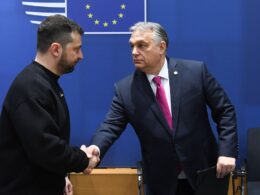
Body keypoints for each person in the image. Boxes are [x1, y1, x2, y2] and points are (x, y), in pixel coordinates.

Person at [85, 22, 238, 195]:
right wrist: (95, 149)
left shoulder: (195, 72)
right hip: (162, 181)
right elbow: (110, 127)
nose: (134, 52)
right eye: (132, 46)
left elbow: (225, 111)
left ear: (161, 47)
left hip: (204, 171)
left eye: (142, 45)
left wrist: (227, 151)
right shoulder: (125, 89)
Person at [0, 15, 99, 195]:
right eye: (76, 49)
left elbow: (43, 147)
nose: (81, 56)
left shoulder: (45, 83)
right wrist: (83, 160)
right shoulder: (31, 87)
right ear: (56, 49)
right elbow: (46, 149)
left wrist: (60, 176)